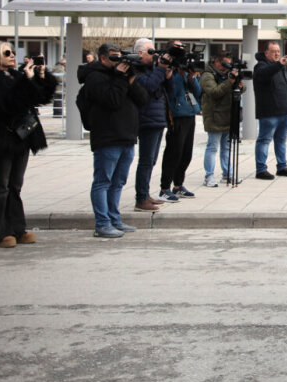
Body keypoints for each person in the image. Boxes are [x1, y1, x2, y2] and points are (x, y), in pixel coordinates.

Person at [0, 42, 58, 248]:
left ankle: (17, 228)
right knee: (0, 186)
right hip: (1, 137)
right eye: (7, 52)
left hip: (20, 137)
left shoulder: (14, 75)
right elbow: (6, 104)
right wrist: (26, 82)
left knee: (15, 186)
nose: (13, 55)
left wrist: (39, 76)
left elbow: (40, 97)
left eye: (13, 52)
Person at [80, 43, 148, 238]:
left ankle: (114, 219)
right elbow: (112, 100)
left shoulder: (121, 77)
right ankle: (102, 223)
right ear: (102, 58)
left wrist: (131, 79)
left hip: (127, 136)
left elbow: (142, 99)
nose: (119, 61)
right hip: (107, 137)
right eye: (114, 58)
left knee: (118, 182)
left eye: (120, 57)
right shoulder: (95, 77)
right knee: (103, 181)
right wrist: (119, 78)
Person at [133, 38, 175, 208]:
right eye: (151, 52)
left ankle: (146, 194)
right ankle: (141, 197)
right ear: (140, 53)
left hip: (158, 118)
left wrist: (168, 76)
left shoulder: (152, 70)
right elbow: (149, 86)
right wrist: (161, 69)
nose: (154, 55)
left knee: (151, 161)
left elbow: (168, 92)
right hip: (146, 120)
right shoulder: (135, 69)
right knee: (145, 160)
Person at [160, 41, 202, 199]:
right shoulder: (168, 69)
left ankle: (178, 184)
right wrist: (173, 71)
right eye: (177, 48)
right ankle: (164, 188)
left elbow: (197, 93)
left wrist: (191, 77)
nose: (181, 51)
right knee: (173, 153)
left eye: (182, 48)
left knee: (186, 153)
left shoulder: (184, 70)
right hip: (176, 116)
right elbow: (171, 91)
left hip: (189, 114)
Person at [252, 41, 287, 180]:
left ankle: (282, 166)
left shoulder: (281, 67)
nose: (277, 54)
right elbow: (265, 74)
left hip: (284, 111)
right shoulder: (261, 66)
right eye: (274, 51)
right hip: (269, 112)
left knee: (281, 141)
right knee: (264, 140)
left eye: (278, 51)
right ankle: (261, 169)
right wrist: (280, 64)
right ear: (266, 53)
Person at [201, 50, 243, 186]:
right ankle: (209, 176)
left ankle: (227, 174)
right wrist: (229, 82)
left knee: (226, 148)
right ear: (217, 62)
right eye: (224, 64)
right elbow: (214, 92)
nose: (226, 67)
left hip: (228, 116)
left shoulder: (227, 75)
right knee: (212, 147)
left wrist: (239, 84)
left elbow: (239, 89)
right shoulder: (208, 75)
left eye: (229, 64)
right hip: (214, 117)